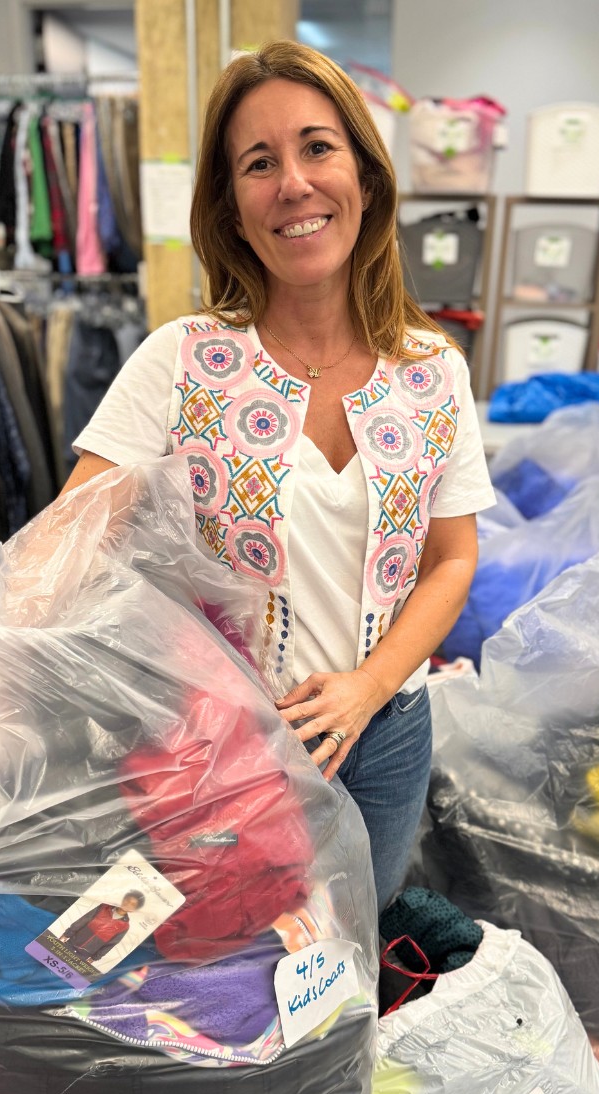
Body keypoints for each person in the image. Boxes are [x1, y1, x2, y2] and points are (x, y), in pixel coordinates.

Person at [63, 40, 496, 916]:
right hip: (219, 747)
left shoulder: (433, 371)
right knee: (224, 981)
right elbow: (64, 549)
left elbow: (452, 559)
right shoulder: (182, 362)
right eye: (259, 164)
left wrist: (370, 687)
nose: (293, 183)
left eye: (317, 147)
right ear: (231, 206)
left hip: (386, 734)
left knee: (343, 972)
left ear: (365, 177)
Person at [59, 890, 145, 962]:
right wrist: (66, 934)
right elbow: (83, 920)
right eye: (127, 900)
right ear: (123, 899)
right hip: (70, 943)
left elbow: (111, 944)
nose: (128, 904)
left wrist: (94, 958)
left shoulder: (124, 926)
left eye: (132, 904)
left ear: (134, 910)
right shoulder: (103, 907)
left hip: (84, 955)